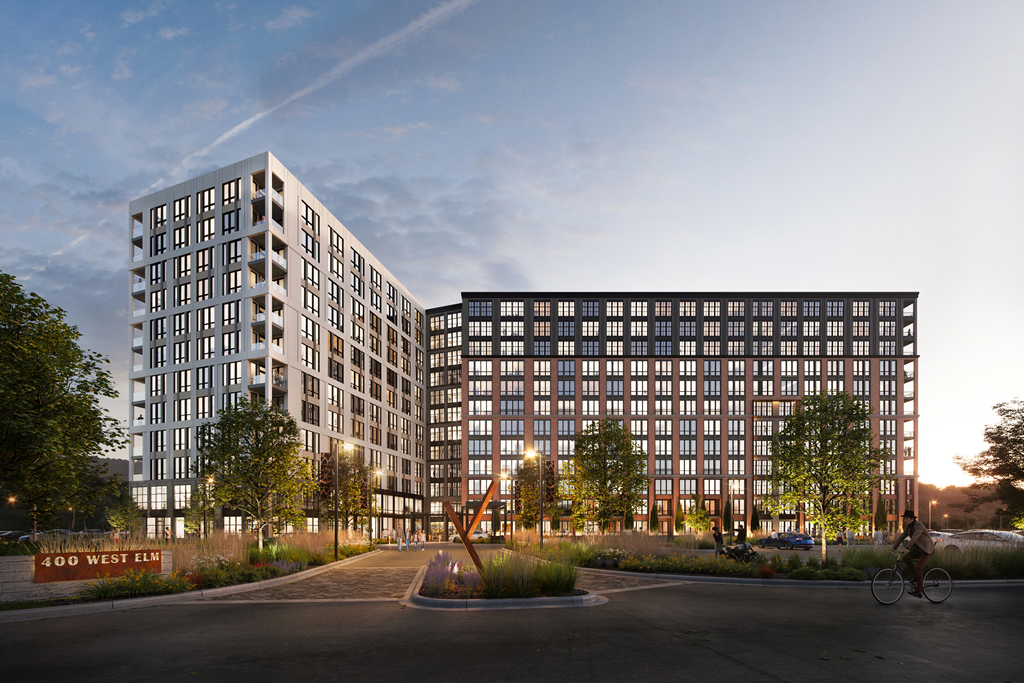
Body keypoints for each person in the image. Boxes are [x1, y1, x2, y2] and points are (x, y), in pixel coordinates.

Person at [891, 510, 935, 598]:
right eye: (904, 518)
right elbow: (901, 537)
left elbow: (915, 538)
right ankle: (917, 576)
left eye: (906, 518)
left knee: (919, 566)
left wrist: (905, 548)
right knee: (906, 558)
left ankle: (919, 590)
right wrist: (892, 549)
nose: (905, 520)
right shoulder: (908, 527)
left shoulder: (919, 525)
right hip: (918, 549)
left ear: (912, 519)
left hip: (927, 549)